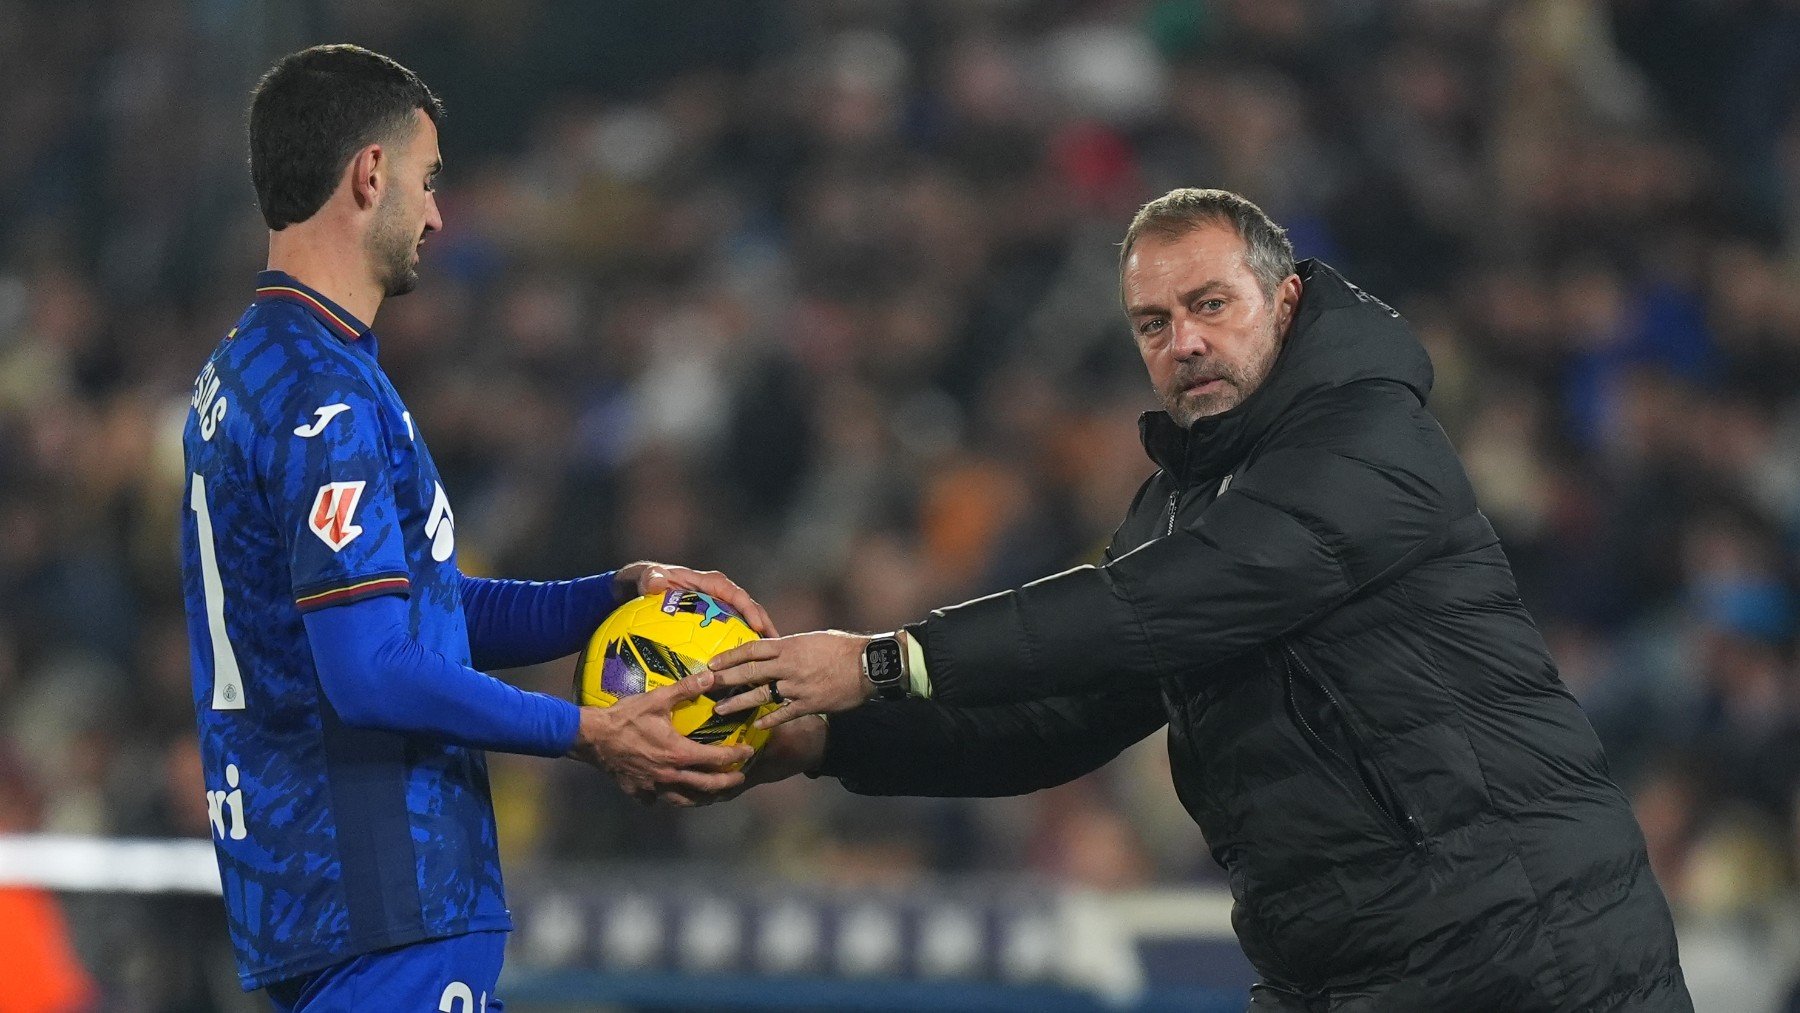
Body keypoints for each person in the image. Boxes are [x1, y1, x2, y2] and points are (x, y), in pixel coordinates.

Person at [709, 189, 1693, 1010]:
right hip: (1349, 974)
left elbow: (1156, 601)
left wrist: (882, 658)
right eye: (1154, 322)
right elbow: (1058, 720)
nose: (1184, 342)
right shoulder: (1176, 512)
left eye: (1212, 304)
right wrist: (827, 742)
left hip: (1531, 957)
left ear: (1288, 299)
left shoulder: (1369, 440)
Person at [177, 44, 771, 1011]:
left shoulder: (250, 370)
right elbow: (370, 669)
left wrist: (607, 597)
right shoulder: (326, 397)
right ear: (371, 174)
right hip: (384, 893)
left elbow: (416, 614)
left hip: (312, 894)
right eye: (428, 179)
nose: (438, 213)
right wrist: (588, 730)